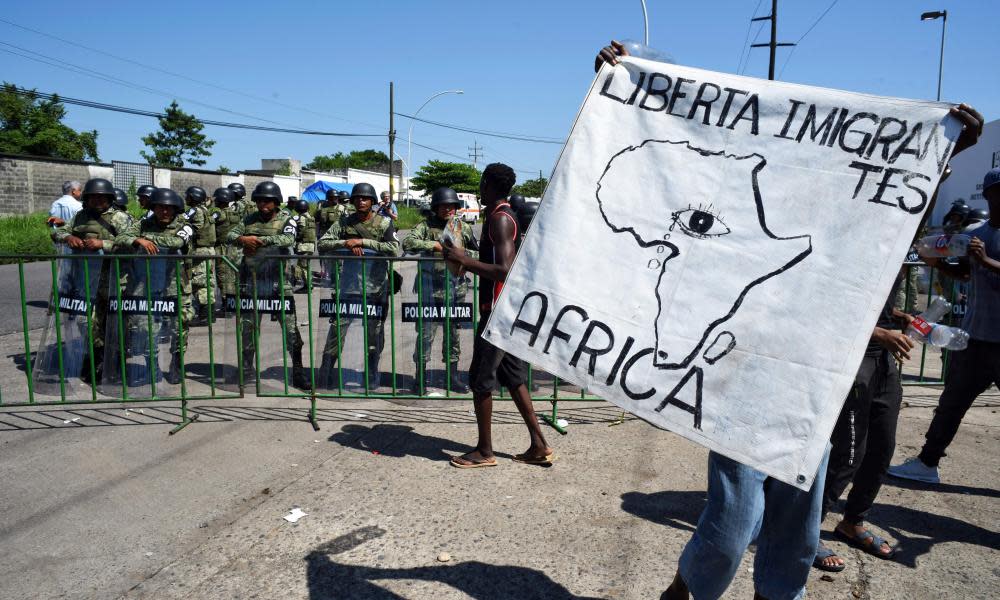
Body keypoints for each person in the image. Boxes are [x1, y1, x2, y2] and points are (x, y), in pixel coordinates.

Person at [593, 40, 981, 600]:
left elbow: (896, 207)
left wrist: (946, 152)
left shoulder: (833, 229)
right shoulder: (741, 214)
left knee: (795, 537)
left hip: (809, 398)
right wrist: (623, 88)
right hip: (742, 393)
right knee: (730, 529)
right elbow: (669, 166)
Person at [890, 166, 1000, 485]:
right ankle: (926, 463)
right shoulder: (977, 233)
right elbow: (966, 274)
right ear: (990, 194)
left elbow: (984, 267)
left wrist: (985, 261)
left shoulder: (980, 243)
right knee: (950, 405)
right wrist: (937, 263)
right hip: (973, 340)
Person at [442, 163, 553, 468]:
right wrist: (465, 257)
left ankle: (484, 451)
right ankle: (539, 445)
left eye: (482, 182)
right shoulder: (497, 216)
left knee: (480, 380)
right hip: (504, 311)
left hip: (498, 315)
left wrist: (464, 260)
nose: (480, 187)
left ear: (488, 184)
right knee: (514, 378)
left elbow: (505, 270)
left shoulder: (500, 219)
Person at [227, 181, 311, 391]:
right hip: (252, 282)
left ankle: (298, 372)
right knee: (248, 329)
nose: (264, 204)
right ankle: (246, 370)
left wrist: (258, 241)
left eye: (268, 201)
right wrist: (243, 238)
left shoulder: (286, 219)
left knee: (291, 331)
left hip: (279, 283)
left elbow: (287, 238)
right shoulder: (248, 219)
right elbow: (230, 235)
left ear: (276, 202)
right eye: (260, 200)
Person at [317, 182, 399, 391]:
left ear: (372, 201)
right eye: (357, 198)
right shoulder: (343, 222)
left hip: (376, 289)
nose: (361, 201)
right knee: (336, 331)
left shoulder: (383, 223)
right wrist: (345, 244)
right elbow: (323, 243)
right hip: (348, 287)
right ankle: (325, 373)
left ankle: (372, 374)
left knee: (374, 333)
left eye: (365, 198)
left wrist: (363, 242)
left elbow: (393, 249)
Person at [51, 178, 133, 383]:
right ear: (86, 198)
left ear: (109, 198)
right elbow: (60, 231)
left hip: (116, 280)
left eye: (102, 197)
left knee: (115, 324)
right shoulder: (80, 216)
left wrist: (103, 243)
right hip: (87, 279)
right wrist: (68, 238)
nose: (97, 200)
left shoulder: (121, 218)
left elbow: (132, 244)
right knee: (86, 321)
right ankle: (96, 358)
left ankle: (116, 363)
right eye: (93, 197)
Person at [402, 187, 478, 394]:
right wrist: (435, 246)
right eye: (443, 206)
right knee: (425, 335)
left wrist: (459, 253)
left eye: (451, 206)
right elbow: (407, 243)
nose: (448, 209)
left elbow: (476, 253)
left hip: (456, 290)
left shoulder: (463, 227)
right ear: (436, 207)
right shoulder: (426, 226)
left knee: (453, 335)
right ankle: (420, 379)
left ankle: (452, 377)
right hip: (429, 289)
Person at [116, 187, 193, 384]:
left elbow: (176, 242)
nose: (164, 212)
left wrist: (145, 239)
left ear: (175, 209)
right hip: (148, 283)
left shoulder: (185, 225)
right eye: (160, 208)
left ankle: (176, 362)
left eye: (168, 208)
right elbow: (121, 238)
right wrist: (137, 239)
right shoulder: (143, 223)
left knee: (179, 327)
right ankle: (152, 368)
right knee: (145, 327)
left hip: (175, 284)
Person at [183, 186, 216, 326]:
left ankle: (205, 316)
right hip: (207, 250)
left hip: (200, 250)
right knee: (206, 281)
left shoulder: (195, 211)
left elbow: (183, 222)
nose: (186, 198)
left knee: (200, 283)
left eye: (188, 196)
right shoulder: (205, 209)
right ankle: (207, 315)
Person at [212, 187, 241, 308]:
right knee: (233, 277)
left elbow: (208, 222)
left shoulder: (219, 214)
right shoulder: (236, 213)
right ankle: (234, 303)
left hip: (222, 249)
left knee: (223, 278)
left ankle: (228, 306)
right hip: (235, 249)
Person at [292, 199, 316, 292]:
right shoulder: (310, 217)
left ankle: (308, 286)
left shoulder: (301, 218)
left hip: (304, 245)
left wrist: (296, 238)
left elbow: (301, 231)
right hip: (310, 245)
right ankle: (307, 285)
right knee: (305, 266)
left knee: (304, 267)